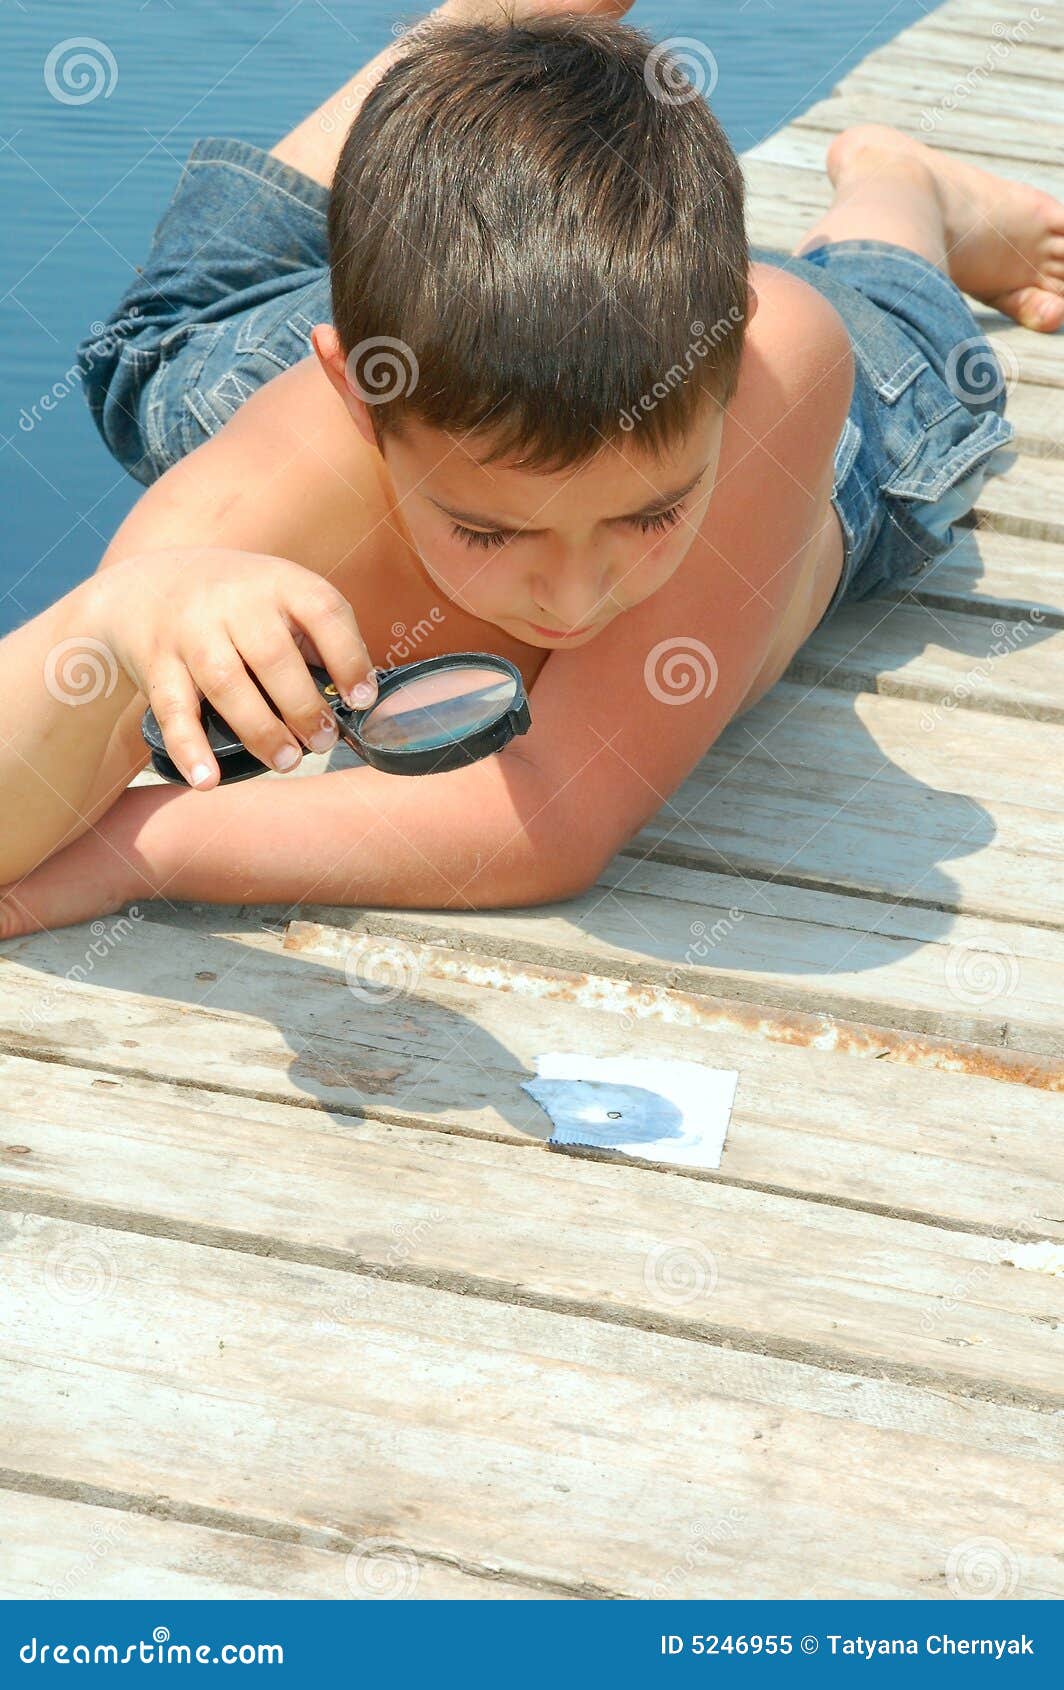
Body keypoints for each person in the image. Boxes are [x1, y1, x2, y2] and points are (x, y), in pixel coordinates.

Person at [2, 0, 1061, 937]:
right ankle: (493, 53)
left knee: (888, 314)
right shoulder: (248, 499)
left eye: (647, 515)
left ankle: (901, 184)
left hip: (811, 416)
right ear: (358, 400)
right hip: (386, 358)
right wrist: (110, 622)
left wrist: (131, 849)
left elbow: (547, 815)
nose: (573, 595)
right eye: (491, 531)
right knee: (169, 358)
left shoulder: (770, 365)